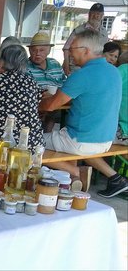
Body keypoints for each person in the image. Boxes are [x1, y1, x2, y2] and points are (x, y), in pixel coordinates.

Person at [40, 30, 127, 198]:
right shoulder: (114, 71)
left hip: (80, 140)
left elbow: (50, 106)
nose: (70, 53)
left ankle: (76, 172)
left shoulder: (82, 75)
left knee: (29, 143)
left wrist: (38, 102)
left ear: (85, 50)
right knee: (63, 138)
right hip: (106, 139)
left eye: (72, 49)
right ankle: (73, 179)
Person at [26, 32, 66, 132]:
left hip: (56, 105)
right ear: (30, 50)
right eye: (34, 50)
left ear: (49, 50)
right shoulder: (24, 66)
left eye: (42, 50)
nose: (38, 53)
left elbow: (64, 84)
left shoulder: (54, 64)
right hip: (35, 107)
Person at [62, 3, 108, 75]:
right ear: (89, 14)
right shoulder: (79, 30)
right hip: (77, 67)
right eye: (93, 13)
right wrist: (66, 66)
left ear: (102, 16)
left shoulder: (104, 32)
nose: (95, 16)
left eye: (98, 14)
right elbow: (66, 48)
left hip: (96, 68)